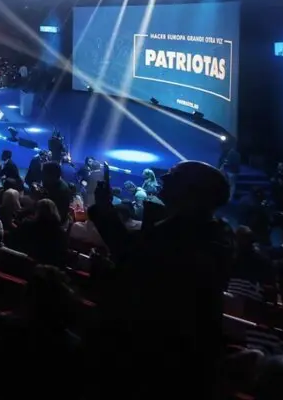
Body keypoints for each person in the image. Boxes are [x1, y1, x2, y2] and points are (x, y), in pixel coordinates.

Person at [88, 160, 232, 400]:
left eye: (173, 175)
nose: (163, 178)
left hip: (163, 356)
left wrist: (111, 273)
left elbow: (139, 268)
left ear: (192, 192)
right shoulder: (202, 232)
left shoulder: (192, 238)